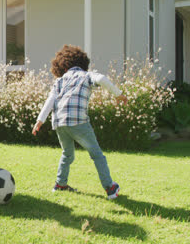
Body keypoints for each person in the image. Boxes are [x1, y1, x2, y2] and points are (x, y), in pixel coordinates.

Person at [32, 45, 128, 199]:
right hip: (78, 121)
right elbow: (102, 79)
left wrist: (39, 121)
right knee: (97, 155)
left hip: (60, 123)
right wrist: (118, 94)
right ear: (83, 63)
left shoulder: (60, 81)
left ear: (62, 66)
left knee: (67, 154)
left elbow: (50, 100)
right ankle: (110, 188)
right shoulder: (86, 75)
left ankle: (60, 184)